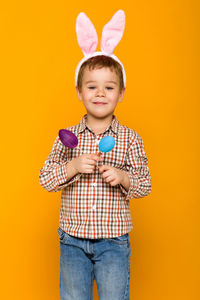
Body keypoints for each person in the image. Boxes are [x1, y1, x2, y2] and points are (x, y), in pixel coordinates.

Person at [39, 10, 152, 300]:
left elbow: (145, 184)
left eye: (109, 87)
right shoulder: (67, 139)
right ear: (79, 91)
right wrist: (73, 166)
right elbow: (45, 179)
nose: (100, 93)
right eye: (92, 87)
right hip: (72, 240)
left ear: (121, 93)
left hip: (113, 240)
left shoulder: (129, 139)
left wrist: (124, 177)